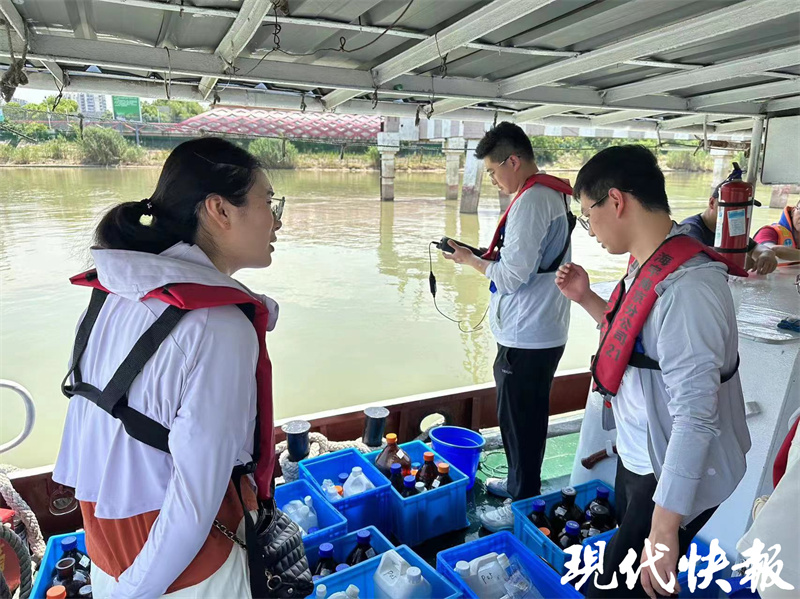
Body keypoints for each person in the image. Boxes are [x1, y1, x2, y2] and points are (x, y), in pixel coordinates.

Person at [53, 138, 284, 598]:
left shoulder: (113, 291)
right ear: (219, 209)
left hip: (106, 545)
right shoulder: (218, 325)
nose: (277, 220)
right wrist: (135, 592)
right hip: (185, 572)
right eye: (269, 202)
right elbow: (196, 500)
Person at [555, 145, 751, 598]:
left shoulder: (690, 290)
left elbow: (696, 415)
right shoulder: (648, 263)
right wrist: (586, 298)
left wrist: (665, 529)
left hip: (668, 467)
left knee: (620, 584)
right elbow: (635, 341)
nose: (590, 230)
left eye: (588, 215)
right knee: (625, 563)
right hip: (640, 451)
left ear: (617, 201)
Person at [443, 122, 574, 531]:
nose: (495, 181)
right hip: (534, 329)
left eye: (495, 171)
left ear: (513, 160)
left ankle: (522, 500)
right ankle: (519, 482)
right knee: (518, 413)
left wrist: (471, 262)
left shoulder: (534, 200)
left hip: (529, 333)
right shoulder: (544, 194)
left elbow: (514, 276)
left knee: (521, 420)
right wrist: (480, 255)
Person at [680, 186, 777, 274]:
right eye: (728, 207)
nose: (733, 214)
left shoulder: (731, 226)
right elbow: (695, 256)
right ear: (712, 203)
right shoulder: (689, 228)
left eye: (740, 209)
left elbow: (754, 247)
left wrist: (767, 254)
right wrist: (736, 258)